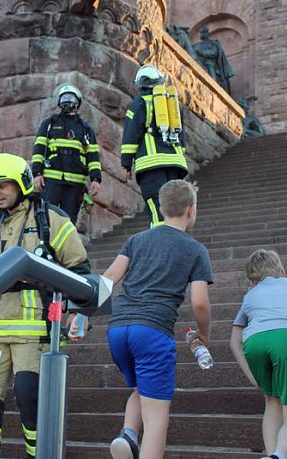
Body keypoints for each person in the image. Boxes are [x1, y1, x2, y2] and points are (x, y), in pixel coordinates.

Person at [0, 153, 90, 458]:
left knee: (29, 398)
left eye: (3, 185)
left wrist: (77, 312)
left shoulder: (51, 219)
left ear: (22, 183)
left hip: (34, 333)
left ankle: (40, 454)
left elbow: (80, 268)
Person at [90, 179, 212, 459]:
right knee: (157, 418)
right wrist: (204, 333)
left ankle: (128, 435)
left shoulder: (137, 240)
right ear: (191, 211)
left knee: (141, 388)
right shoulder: (195, 250)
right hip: (153, 331)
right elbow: (199, 302)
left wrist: (84, 315)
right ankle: (136, 442)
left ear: (160, 207)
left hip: (118, 329)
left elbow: (108, 279)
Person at [229, 249, 287, 459]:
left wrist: (253, 378)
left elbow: (234, 342)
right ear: (282, 270)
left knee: (272, 402)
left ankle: (272, 454)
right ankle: (279, 455)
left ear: (252, 279)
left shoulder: (250, 295)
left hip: (254, 343)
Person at [121, 65, 189, 227]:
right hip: (175, 164)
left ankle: (160, 241)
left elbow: (131, 135)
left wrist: (126, 164)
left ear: (140, 85)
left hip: (151, 165)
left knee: (156, 205)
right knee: (174, 206)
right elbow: (182, 137)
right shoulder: (173, 104)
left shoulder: (137, 104)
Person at [31, 84, 102, 224]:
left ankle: (64, 246)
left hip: (75, 183)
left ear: (77, 102)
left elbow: (93, 157)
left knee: (69, 221)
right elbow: (39, 150)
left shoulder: (86, 129)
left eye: (70, 97)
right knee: (46, 217)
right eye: (63, 97)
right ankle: (44, 245)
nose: (66, 100)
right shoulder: (49, 124)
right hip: (51, 180)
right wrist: (37, 174)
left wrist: (95, 179)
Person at [192, 25, 235, 94]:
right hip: (199, 61)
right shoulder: (196, 45)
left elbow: (213, 53)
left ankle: (214, 86)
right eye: (201, 33)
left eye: (203, 32)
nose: (201, 34)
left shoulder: (213, 44)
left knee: (212, 75)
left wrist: (201, 52)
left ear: (207, 34)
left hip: (210, 64)